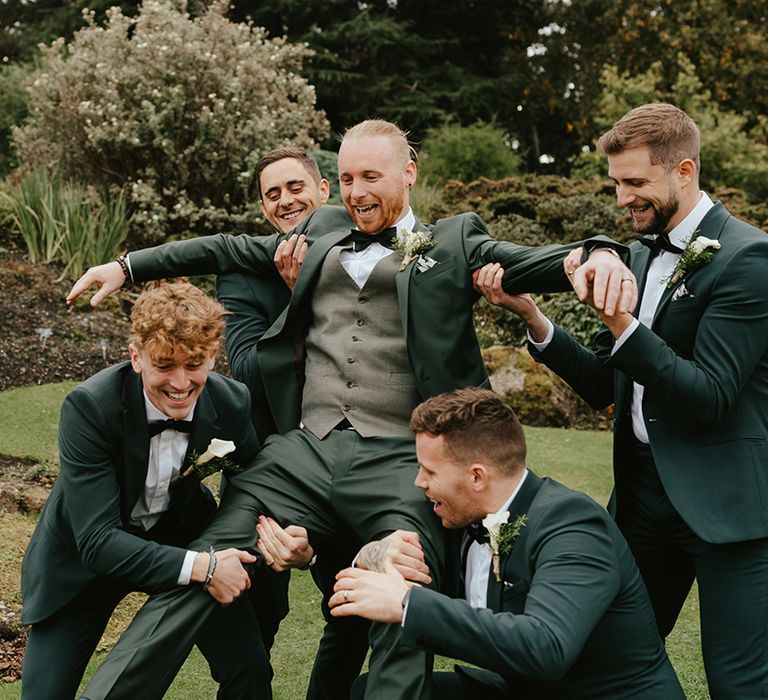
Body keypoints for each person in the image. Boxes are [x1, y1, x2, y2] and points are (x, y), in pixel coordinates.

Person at [72, 118, 636, 700]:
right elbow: (225, 247)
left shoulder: (455, 242)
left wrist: (599, 254)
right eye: (345, 178)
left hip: (399, 461)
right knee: (204, 564)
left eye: (371, 175)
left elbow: (546, 263)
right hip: (300, 455)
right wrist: (126, 266)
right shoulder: (319, 232)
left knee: (400, 584)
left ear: (409, 173)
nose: (357, 191)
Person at [475, 103, 768, 699]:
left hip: (727, 508)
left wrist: (622, 325)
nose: (620, 198)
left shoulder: (748, 259)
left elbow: (709, 396)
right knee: (608, 659)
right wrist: (535, 319)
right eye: (615, 183)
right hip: (641, 502)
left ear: (684, 171)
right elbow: (612, 386)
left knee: (739, 681)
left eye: (635, 183)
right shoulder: (634, 253)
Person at [20, 282, 286, 699]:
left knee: (250, 669)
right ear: (135, 357)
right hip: (85, 559)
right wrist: (203, 567)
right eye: (165, 364)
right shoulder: (90, 407)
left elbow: (256, 479)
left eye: (195, 364)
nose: (181, 383)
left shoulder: (232, 401)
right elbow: (97, 541)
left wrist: (284, 534)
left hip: (179, 533)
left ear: (214, 357)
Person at [329, 387, 685, 699]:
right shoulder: (459, 514)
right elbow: (401, 559)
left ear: (477, 476)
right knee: (368, 692)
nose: (418, 482)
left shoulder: (574, 526)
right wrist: (374, 552)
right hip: (525, 690)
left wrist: (408, 604)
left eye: (430, 471)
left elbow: (546, 648)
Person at [218, 146, 372, 699]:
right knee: (256, 616)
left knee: (350, 608)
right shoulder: (243, 270)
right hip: (267, 465)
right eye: (272, 194)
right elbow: (249, 369)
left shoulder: (359, 255)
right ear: (264, 208)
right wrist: (296, 297)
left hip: (348, 464)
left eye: (294, 187)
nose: (285, 200)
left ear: (324, 191)